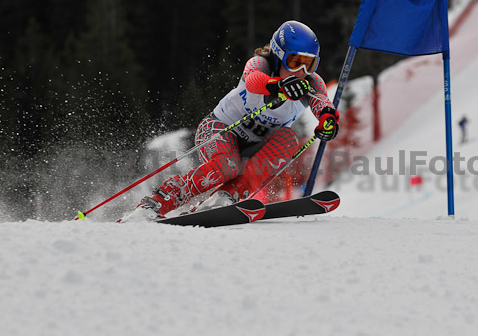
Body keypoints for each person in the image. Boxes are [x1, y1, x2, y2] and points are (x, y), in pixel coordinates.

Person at [122, 20, 339, 222]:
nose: (301, 71)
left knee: (289, 139)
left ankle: (224, 198)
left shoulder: (311, 83)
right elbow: (254, 81)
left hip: (257, 146)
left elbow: (322, 104)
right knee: (226, 166)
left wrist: (328, 120)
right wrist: (278, 85)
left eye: (309, 64)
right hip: (220, 128)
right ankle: (155, 204)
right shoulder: (260, 64)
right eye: (294, 62)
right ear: (278, 55)